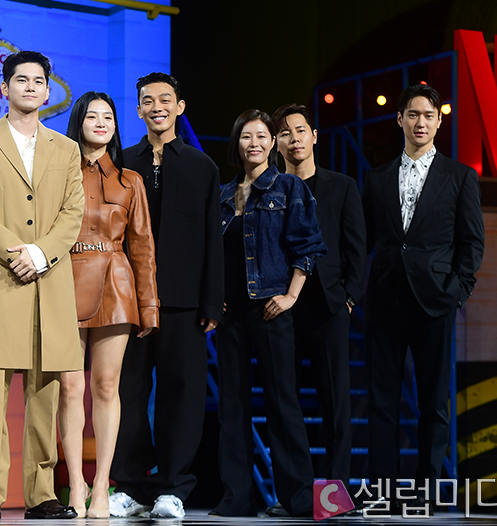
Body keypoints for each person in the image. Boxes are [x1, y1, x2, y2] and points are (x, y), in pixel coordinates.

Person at [0, 51, 84, 521]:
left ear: (48, 91)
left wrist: (41, 253)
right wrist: (18, 252)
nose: (30, 87)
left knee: (45, 391)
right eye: (21, 80)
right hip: (1, 276)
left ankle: (42, 494)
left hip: (49, 279)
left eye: (38, 81)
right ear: (5, 88)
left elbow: (73, 212)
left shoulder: (66, 149)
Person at [363, 84, 484, 512]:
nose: (420, 122)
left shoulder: (460, 176)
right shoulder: (377, 178)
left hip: (435, 301)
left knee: (434, 402)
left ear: (438, 121)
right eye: (412, 114)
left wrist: (457, 292)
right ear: (399, 119)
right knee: (381, 401)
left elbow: (472, 243)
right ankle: (383, 492)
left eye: (428, 115)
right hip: (385, 300)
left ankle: (426, 493)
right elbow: (361, 240)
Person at [108, 72, 224, 519]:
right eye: (147, 100)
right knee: (129, 391)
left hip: (184, 303)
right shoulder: (122, 162)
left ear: (180, 107)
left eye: (165, 99)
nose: (156, 106)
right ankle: (130, 486)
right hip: (129, 300)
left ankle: (173, 488)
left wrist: (212, 301)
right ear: (138, 109)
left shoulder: (202, 167)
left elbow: (212, 239)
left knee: (183, 395)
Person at [212, 109, 326, 518]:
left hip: (272, 309)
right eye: (247, 136)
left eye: (262, 136)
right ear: (237, 143)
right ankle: (236, 498)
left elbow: (308, 245)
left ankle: (298, 498)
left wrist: (292, 295)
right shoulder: (223, 194)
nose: (254, 143)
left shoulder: (289, 187)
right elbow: (213, 254)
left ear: (273, 143)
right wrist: (215, 297)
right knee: (232, 406)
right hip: (231, 314)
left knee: (283, 402)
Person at [58, 92, 159, 518]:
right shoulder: (58, 174)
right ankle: (76, 484)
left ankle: (102, 485)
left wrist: (149, 306)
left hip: (116, 285)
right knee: (69, 387)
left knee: (105, 385)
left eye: (108, 117)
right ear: (78, 122)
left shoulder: (130, 180)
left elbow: (143, 247)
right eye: (92, 116)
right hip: (65, 282)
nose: (101, 122)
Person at [273, 104, 366, 495]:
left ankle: (334, 495)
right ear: (276, 143)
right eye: (285, 133)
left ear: (313, 136)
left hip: (329, 307)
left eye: (300, 131)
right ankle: (293, 495)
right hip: (280, 310)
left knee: (336, 407)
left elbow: (356, 248)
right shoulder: (269, 188)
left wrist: (349, 298)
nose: (294, 139)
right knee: (284, 405)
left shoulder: (341, 186)